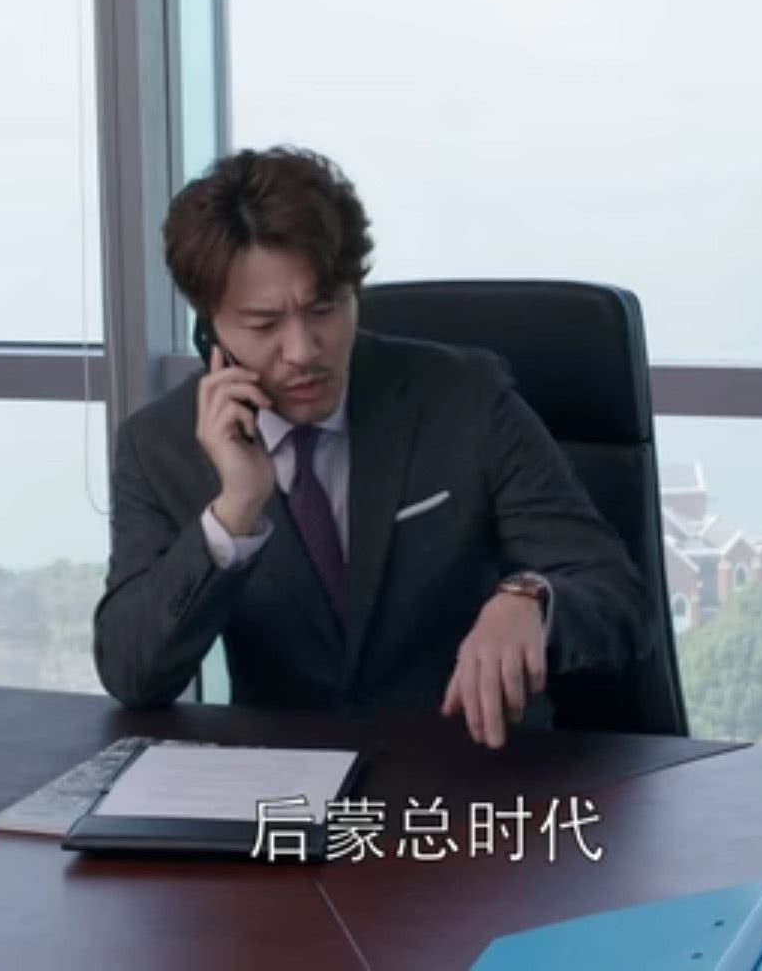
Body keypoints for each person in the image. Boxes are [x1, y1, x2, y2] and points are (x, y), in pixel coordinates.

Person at [92, 146, 648, 747]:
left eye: (324, 309)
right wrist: (233, 514)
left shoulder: (465, 396)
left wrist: (532, 599)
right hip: (284, 783)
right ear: (211, 330)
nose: (303, 351)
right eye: (263, 325)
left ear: (356, 292)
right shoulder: (159, 446)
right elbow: (131, 673)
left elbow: (617, 593)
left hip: (471, 769)